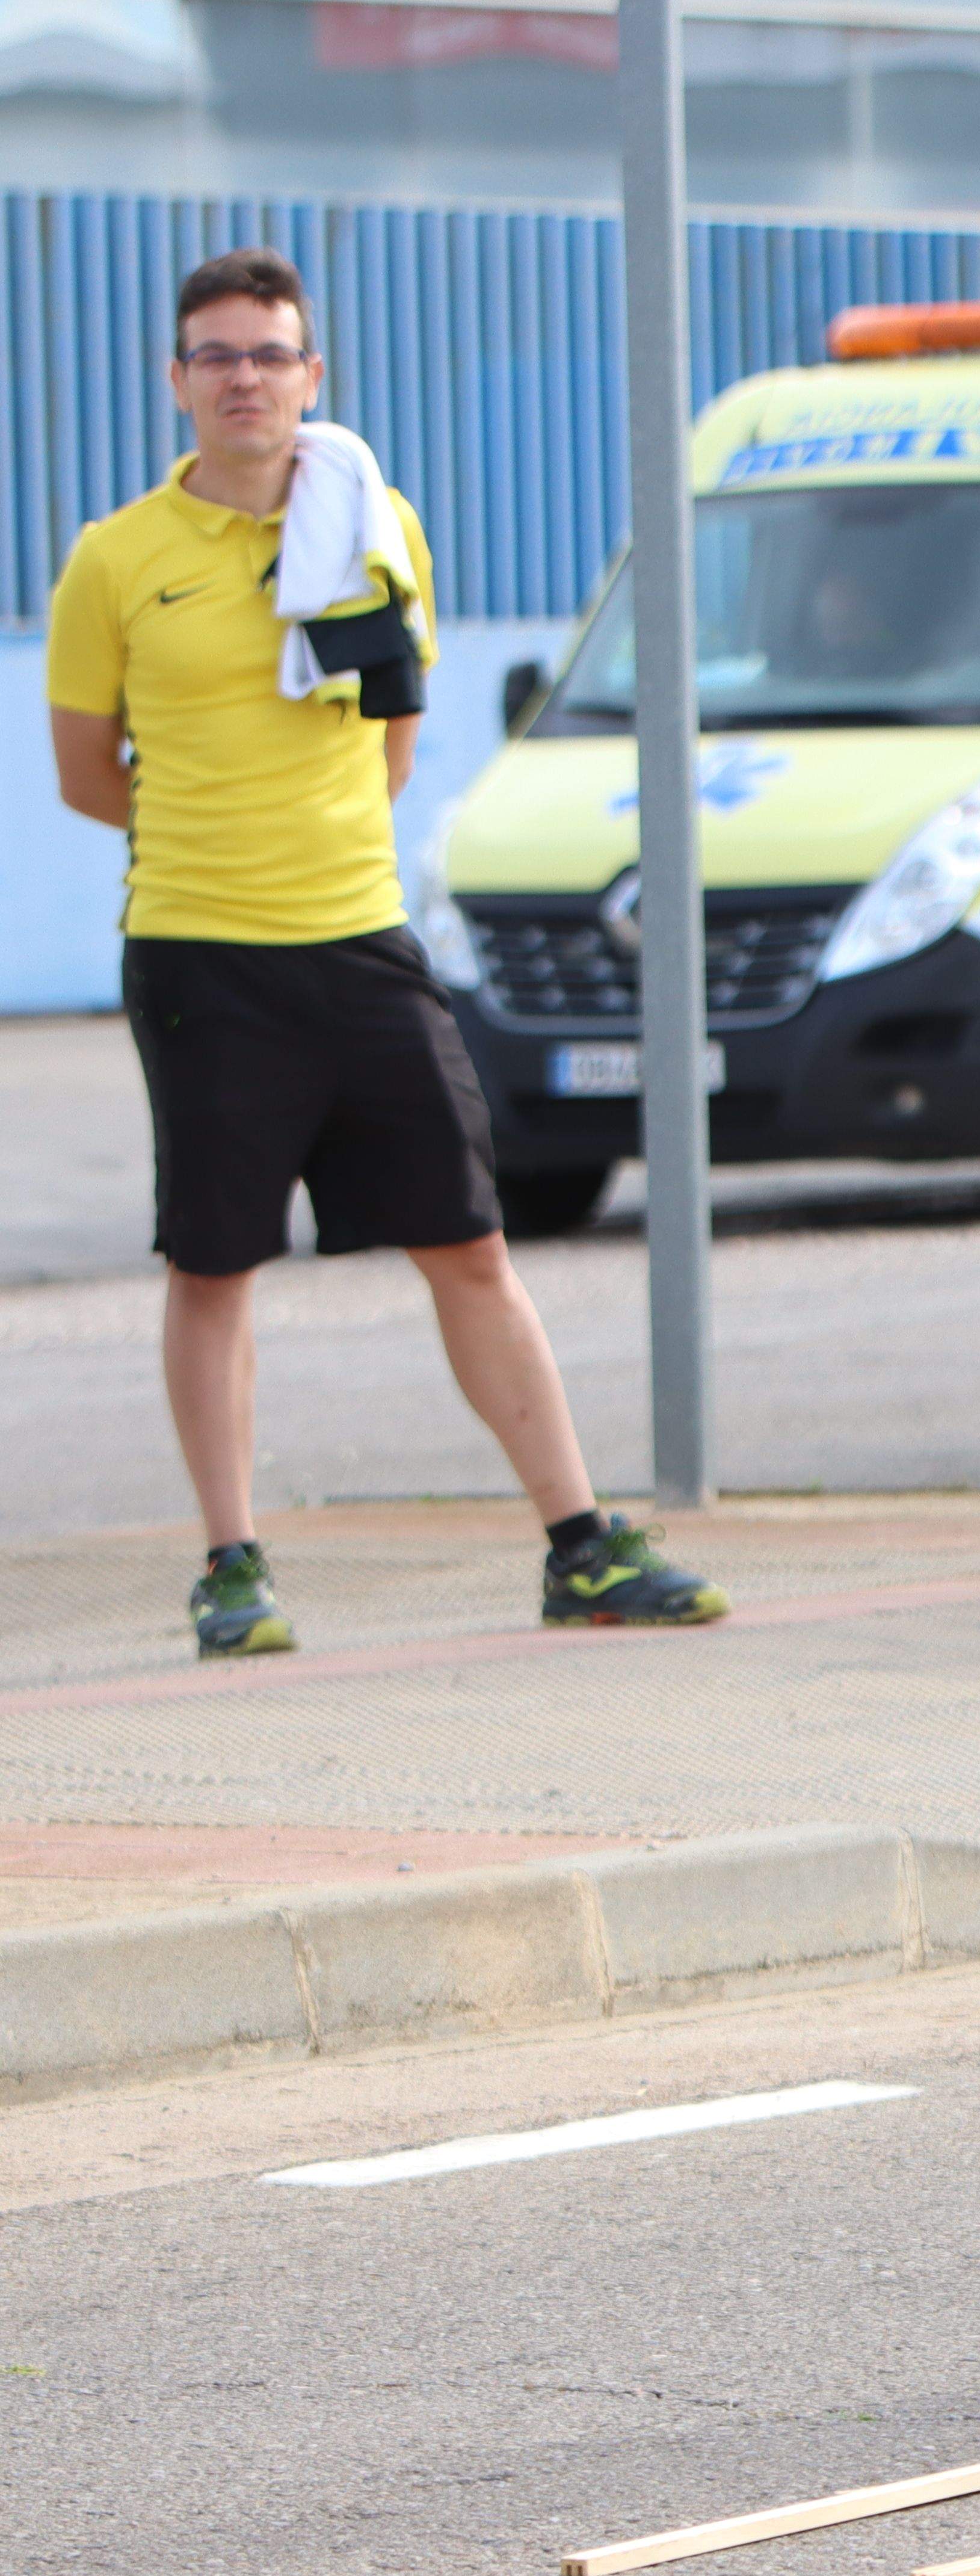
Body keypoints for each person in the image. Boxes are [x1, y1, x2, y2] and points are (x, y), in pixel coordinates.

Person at [42, 246, 724, 1657]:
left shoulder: (369, 521)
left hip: (361, 943)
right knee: (215, 1266)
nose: (244, 379)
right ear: (177, 381)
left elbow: (394, 737)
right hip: (201, 957)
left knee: (470, 1244)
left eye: (269, 354)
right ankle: (232, 1564)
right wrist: (221, 833)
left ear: (313, 375)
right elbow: (87, 772)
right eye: (217, 356)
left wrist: (315, 838)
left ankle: (581, 1546)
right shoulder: (116, 558)